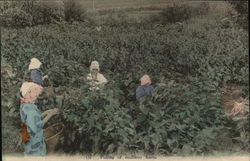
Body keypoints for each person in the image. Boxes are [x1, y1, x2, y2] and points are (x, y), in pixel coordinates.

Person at [19, 81, 59, 156]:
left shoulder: (25, 105)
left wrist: (46, 112)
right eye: (35, 96)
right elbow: (37, 126)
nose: (36, 98)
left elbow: (34, 119)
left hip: (27, 135)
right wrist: (50, 115)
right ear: (28, 93)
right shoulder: (30, 109)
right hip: (34, 139)